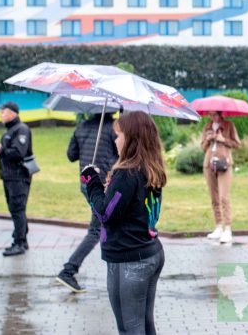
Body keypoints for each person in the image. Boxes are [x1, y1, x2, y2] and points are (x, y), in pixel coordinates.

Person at [80, 111, 165, 334]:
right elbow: (126, 207)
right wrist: (106, 187)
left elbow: (105, 214)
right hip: (148, 252)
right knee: (144, 324)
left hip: (128, 258)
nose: (115, 140)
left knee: (130, 328)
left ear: (131, 139)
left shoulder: (127, 173)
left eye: (118, 135)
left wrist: (91, 183)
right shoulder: (149, 167)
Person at [56, 113, 119, 293]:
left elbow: (71, 155)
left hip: (86, 182)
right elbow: (120, 154)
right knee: (97, 229)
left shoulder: (81, 127)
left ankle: (116, 272)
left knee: (107, 226)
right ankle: (68, 270)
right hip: (103, 185)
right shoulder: (113, 129)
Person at [0, 101, 33, 257]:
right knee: (16, 209)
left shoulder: (21, 129)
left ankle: (19, 243)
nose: (0, 115)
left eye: (3, 112)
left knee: (17, 209)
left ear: (13, 113)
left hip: (18, 177)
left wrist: (0, 150)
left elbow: (18, 153)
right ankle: (22, 239)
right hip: (9, 177)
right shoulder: (9, 131)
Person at [201, 111, 240, 244]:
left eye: (215, 114)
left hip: (224, 164)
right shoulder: (207, 127)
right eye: (211, 115)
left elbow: (237, 144)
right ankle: (218, 226)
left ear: (220, 114)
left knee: (224, 197)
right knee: (214, 197)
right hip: (209, 164)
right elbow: (202, 147)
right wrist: (208, 139)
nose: (213, 117)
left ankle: (227, 229)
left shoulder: (229, 125)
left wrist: (223, 139)